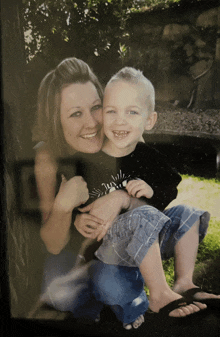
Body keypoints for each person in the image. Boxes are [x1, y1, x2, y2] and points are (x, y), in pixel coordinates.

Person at [66, 66, 220, 318]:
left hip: (150, 244)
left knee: (187, 212)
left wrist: (152, 190)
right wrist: (76, 217)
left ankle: (184, 283)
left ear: (150, 121)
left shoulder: (148, 157)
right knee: (115, 288)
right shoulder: (89, 162)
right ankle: (157, 294)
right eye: (111, 111)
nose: (120, 120)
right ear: (102, 115)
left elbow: (170, 188)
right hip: (110, 254)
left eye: (132, 112)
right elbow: (74, 204)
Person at [33, 57, 149, 330]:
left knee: (115, 286)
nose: (92, 123)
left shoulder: (122, 135)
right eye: (75, 114)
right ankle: (98, 299)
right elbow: (52, 244)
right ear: (56, 120)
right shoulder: (48, 157)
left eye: (96, 107)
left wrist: (122, 199)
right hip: (77, 250)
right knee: (59, 293)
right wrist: (63, 207)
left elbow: (154, 208)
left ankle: (124, 294)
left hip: (123, 244)